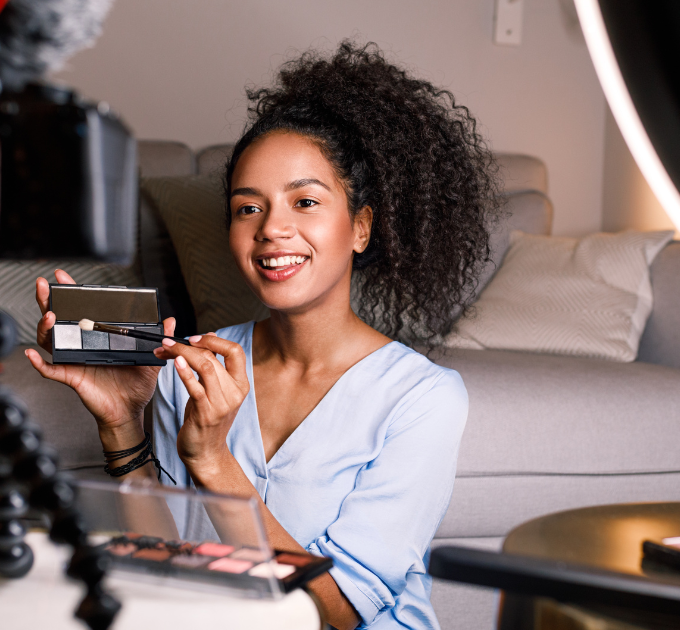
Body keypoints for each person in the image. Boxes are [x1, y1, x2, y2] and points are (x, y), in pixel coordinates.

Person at [27, 42, 500, 630]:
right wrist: (122, 424)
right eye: (248, 209)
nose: (273, 228)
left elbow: (341, 610)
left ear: (360, 226)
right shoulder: (198, 370)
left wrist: (214, 461)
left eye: (305, 202)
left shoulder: (422, 398)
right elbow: (167, 570)